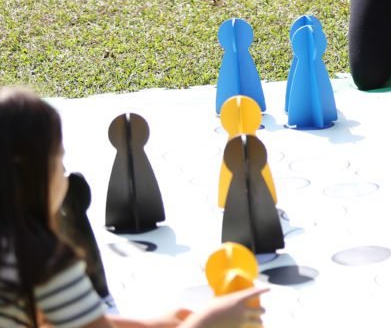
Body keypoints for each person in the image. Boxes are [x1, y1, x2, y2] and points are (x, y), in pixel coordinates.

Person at [0, 86, 266, 328]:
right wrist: (206, 323)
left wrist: (149, 326)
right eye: (61, 161)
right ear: (36, 176)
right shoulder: (45, 264)